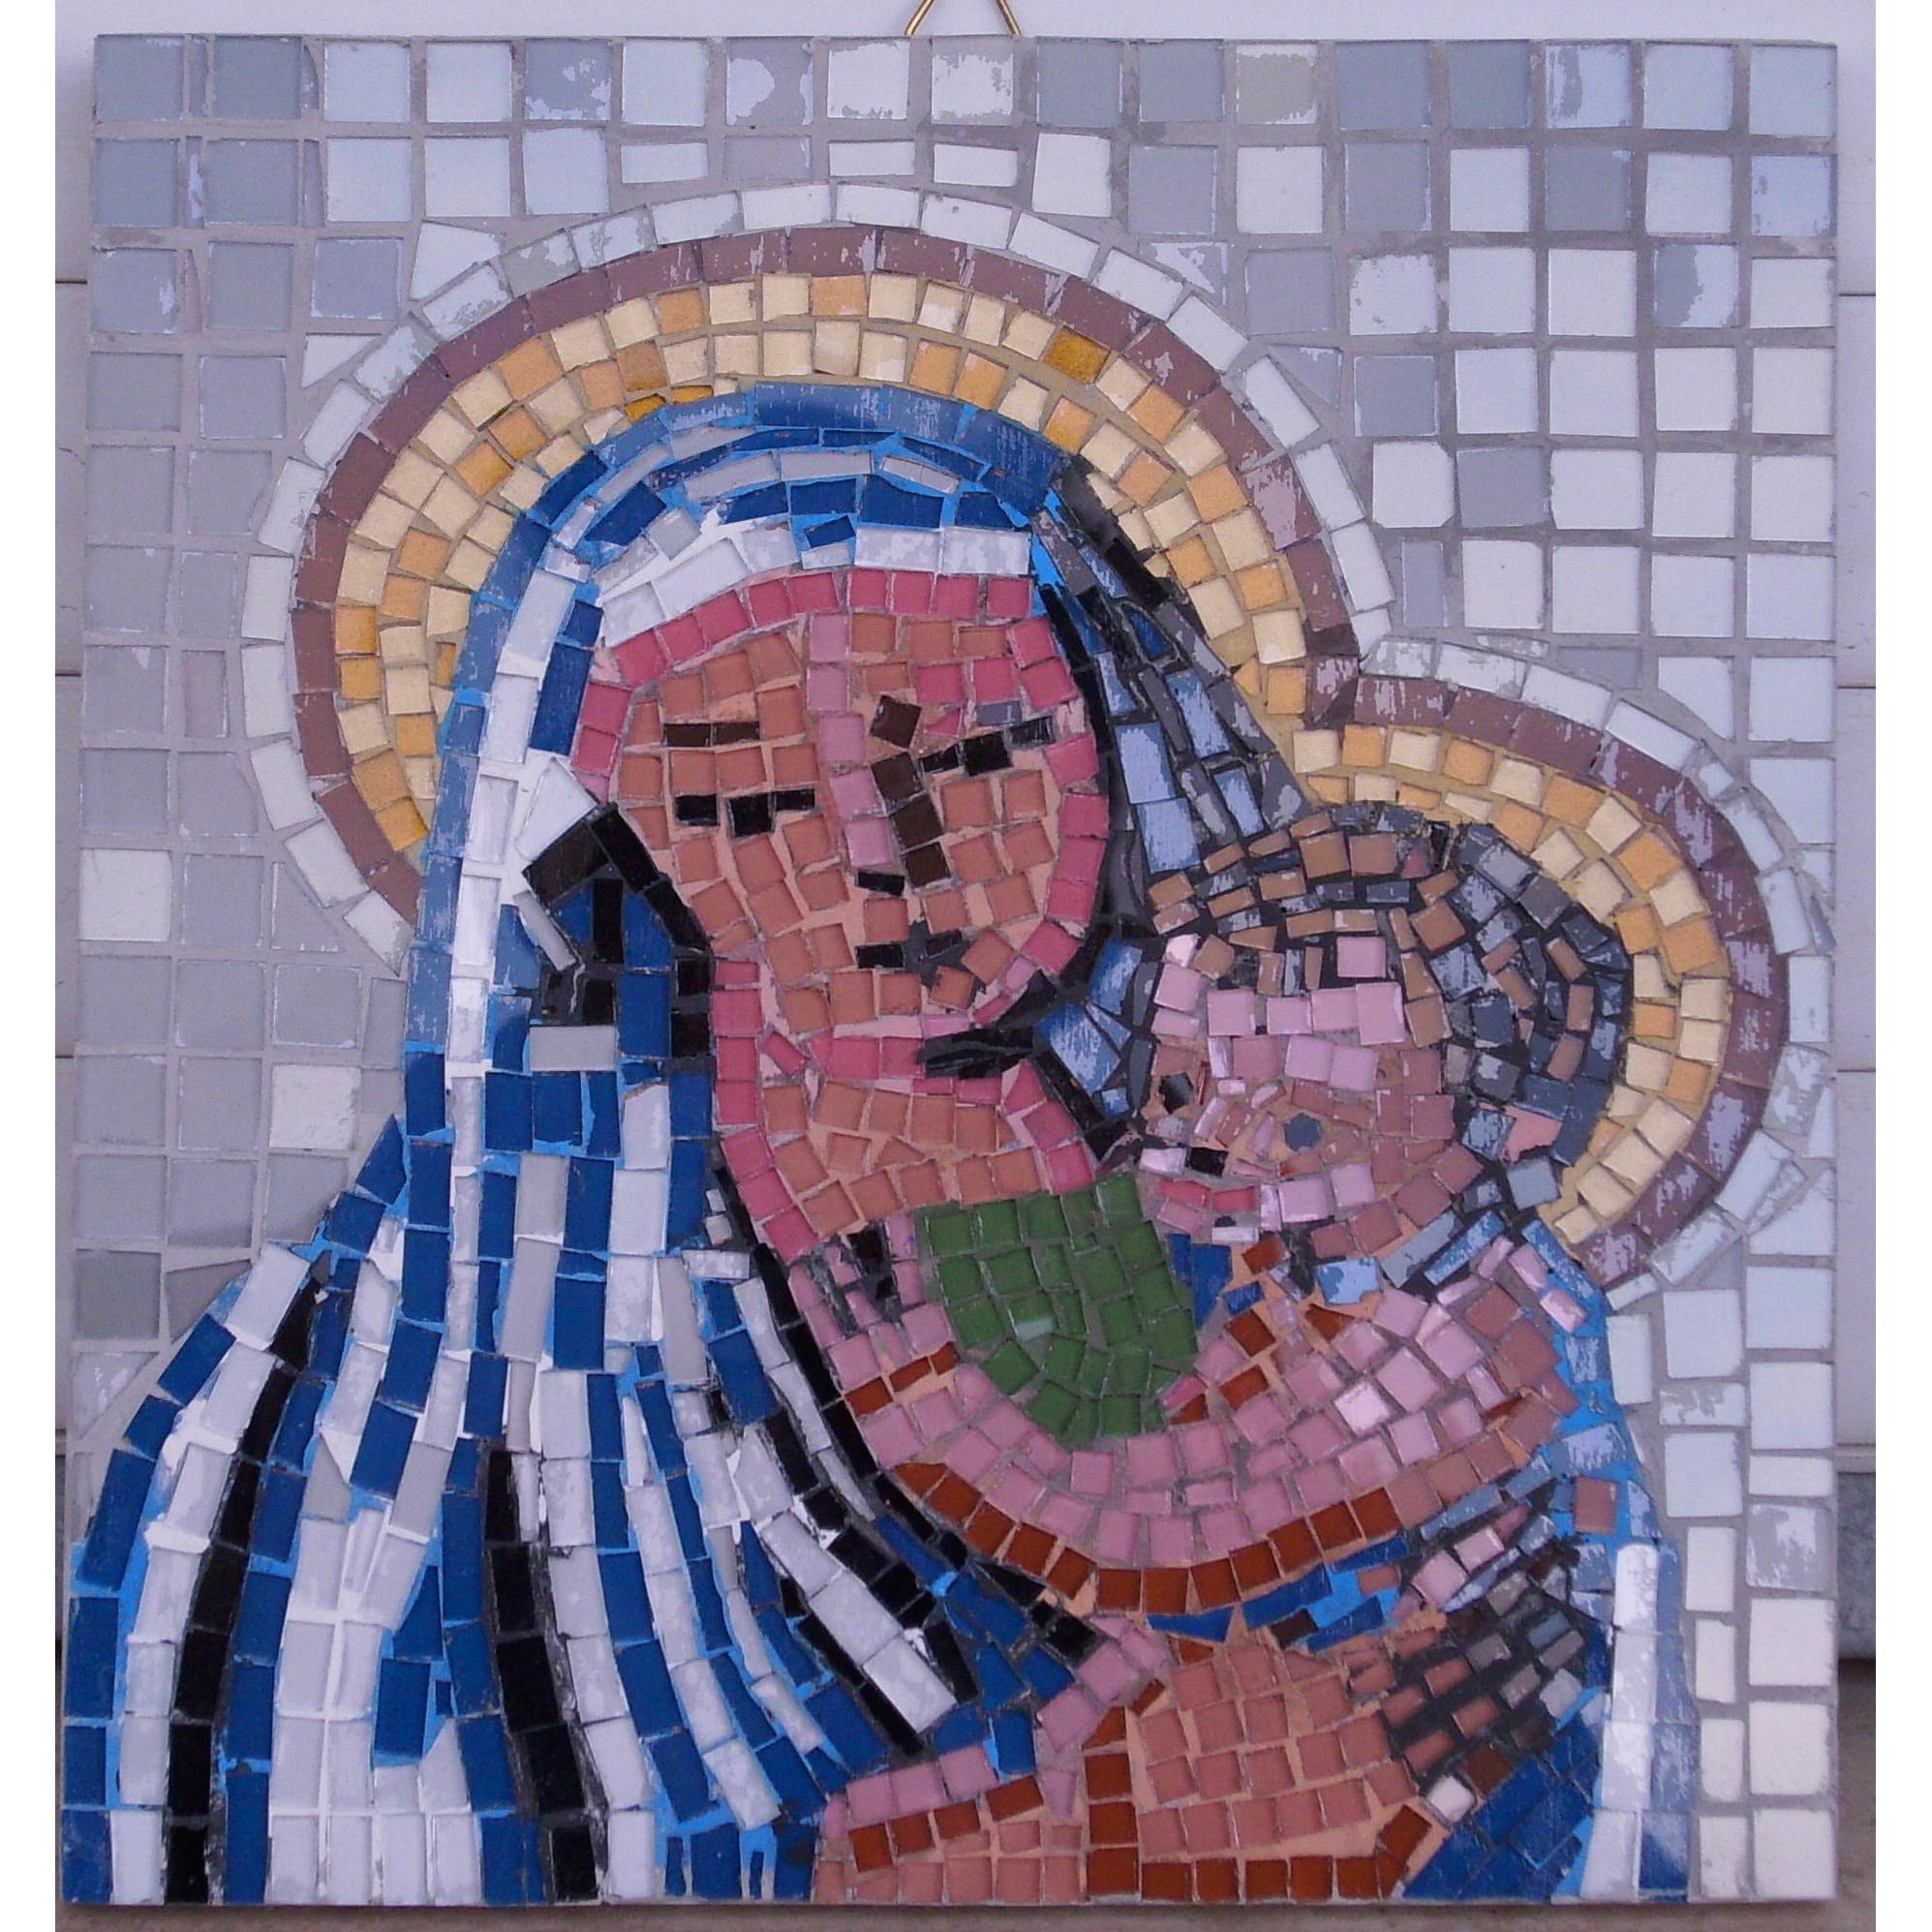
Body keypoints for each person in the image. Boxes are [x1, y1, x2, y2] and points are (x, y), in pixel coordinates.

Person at [62, 382, 1689, 1907]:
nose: (882, 860)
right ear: (604, 831)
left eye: (979, 754)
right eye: (740, 805)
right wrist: (1101, 1833)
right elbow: (354, 1813)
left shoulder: (1355, 1197)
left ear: (1114, 730)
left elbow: (1535, 1685)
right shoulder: (378, 1376)